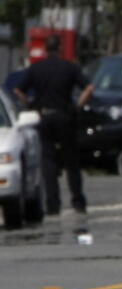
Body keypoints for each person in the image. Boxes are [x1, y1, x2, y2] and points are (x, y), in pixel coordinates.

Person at [15, 34, 94, 216]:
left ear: (45, 49)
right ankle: (78, 201)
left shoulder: (36, 69)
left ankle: (53, 204)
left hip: (45, 116)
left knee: (48, 161)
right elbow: (89, 88)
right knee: (71, 161)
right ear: (59, 48)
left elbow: (18, 90)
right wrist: (77, 107)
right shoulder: (70, 67)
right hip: (65, 116)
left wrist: (30, 105)